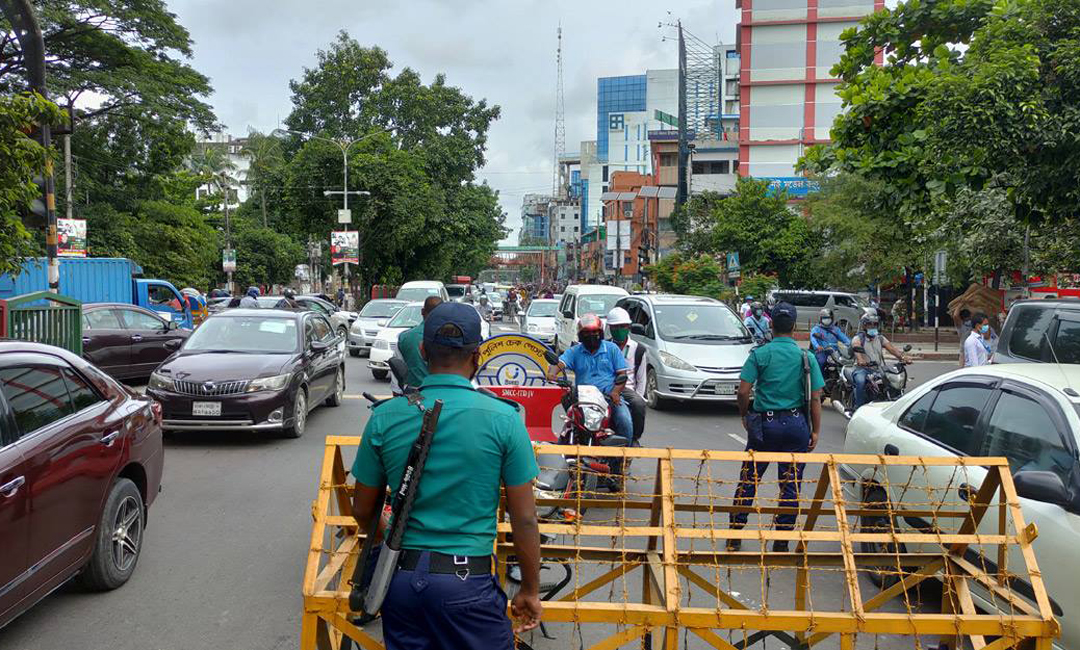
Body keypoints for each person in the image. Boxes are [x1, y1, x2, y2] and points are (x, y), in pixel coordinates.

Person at [350, 302, 542, 648]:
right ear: (477, 355)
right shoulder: (505, 419)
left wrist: (390, 540)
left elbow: (363, 510)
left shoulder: (385, 417)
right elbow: (525, 519)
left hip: (401, 582)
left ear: (423, 351)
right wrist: (529, 589)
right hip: (468, 583)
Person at [729, 302, 823, 551]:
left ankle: (734, 534)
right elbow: (815, 398)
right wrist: (815, 430)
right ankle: (781, 540)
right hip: (795, 425)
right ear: (794, 327)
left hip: (764, 425)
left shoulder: (760, 354)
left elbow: (743, 391)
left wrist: (745, 415)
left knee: (749, 479)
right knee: (791, 484)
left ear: (771, 325)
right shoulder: (807, 357)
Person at [546, 314, 633, 446]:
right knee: (570, 423)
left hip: (609, 397)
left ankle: (626, 452)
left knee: (624, 420)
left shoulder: (612, 349)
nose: (591, 336)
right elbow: (559, 364)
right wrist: (552, 374)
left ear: (600, 333)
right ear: (581, 335)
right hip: (583, 400)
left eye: (594, 332)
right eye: (586, 333)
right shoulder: (575, 351)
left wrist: (615, 392)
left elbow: (622, 373)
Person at [850, 313, 911, 409]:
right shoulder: (858, 338)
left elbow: (892, 349)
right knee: (860, 382)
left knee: (892, 382)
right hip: (862, 369)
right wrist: (860, 360)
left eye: (875, 324)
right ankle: (858, 407)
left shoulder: (880, 338)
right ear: (864, 326)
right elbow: (856, 347)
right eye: (870, 324)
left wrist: (903, 358)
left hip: (879, 369)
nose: (873, 326)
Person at [606, 307, 647, 446]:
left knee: (639, 404)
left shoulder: (638, 349)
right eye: (615, 327)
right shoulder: (604, 347)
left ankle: (634, 438)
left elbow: (641, 379)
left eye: (622, 326)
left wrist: (637, 397)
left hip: (626, 388)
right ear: (610, 328)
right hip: (607, 386)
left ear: (628, 327)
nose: (619, 330)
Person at [396, 296, 444, 388]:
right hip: (444, 391)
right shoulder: (453, 337)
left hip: (414, 392)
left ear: (422, 311)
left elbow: (398, 371)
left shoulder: (405, 337)